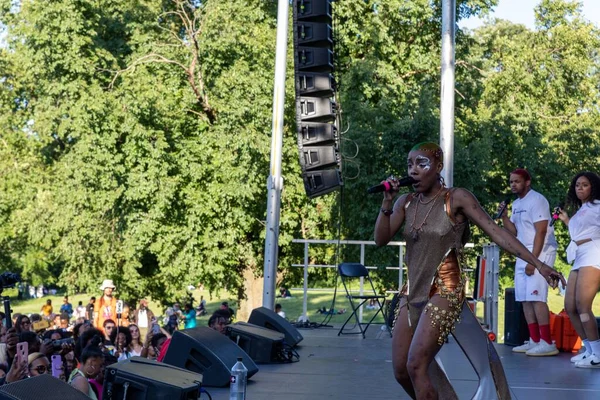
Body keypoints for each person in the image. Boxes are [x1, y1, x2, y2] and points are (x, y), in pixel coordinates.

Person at [374, 142, 565, 399]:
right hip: (412, 291)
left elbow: (497, 233)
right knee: (401, 370)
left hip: (445, 289)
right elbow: (381, 239)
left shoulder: (456, 198)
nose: (414, 170)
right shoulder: (405, 202)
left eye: (422, 164)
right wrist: (386, 203)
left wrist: (539, 264)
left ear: (439, 167)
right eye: (410, 164)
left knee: (416, 364)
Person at [497, 168, 559, 356]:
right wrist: (505, 217)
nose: (513, 185)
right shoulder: (516, 204)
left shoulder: (537, 200)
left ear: (527, 182)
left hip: (539, 252)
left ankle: (547, 342)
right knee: (524, 298)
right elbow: (514, 232)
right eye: (511, 182)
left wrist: (534, 262)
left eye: (517, 181)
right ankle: (534, 340)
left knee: (536, 296)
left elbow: (541, 232)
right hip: (523, 253)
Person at [556, 171, 600, 368]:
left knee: (583, 306)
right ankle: (588, 349)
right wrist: (566, 220)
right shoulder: (582, 209)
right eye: (577, 185)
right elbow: (576, 232)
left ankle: (597, 354)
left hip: (593, 252)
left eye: (585, 185)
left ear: (593, 187)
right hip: (579, 255)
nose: (580, 188)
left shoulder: (598, 206)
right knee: (570, 306)